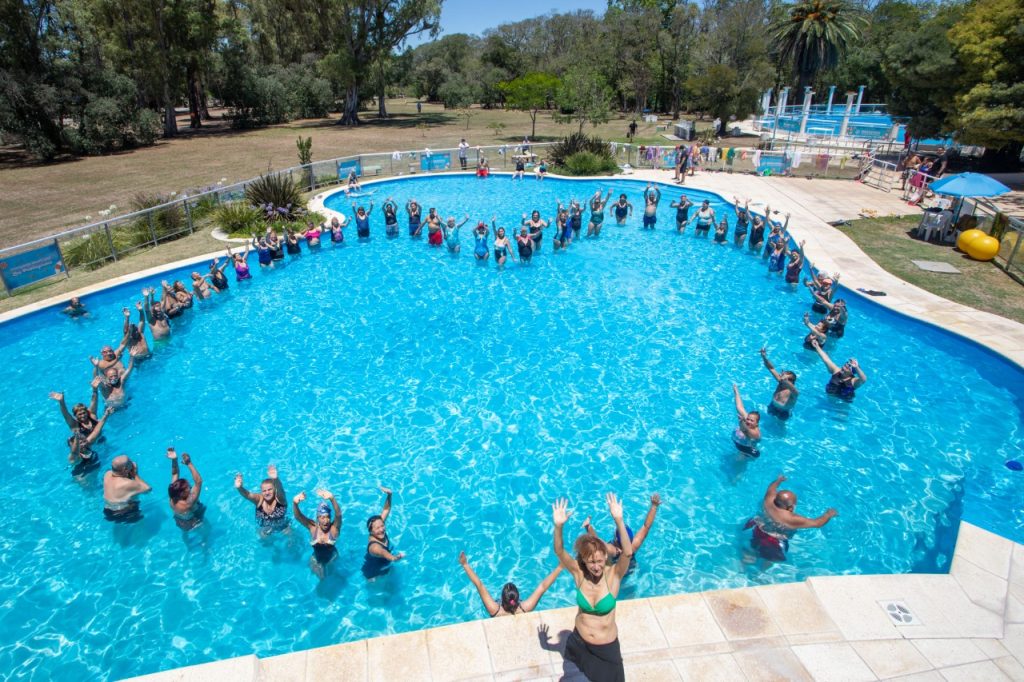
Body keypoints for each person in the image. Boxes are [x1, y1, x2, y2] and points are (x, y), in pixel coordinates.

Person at [552, 494, 630, 682]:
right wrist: (558, 526)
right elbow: (559, 551)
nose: (596, 566)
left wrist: (619, 520)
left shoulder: (614, 575)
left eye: (599, 561)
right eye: (591, 562)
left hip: (606, 650)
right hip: (580, 643)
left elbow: (627, 553)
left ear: (605, 557)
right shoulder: (579, 574)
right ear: (584, 561)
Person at [745, 475, 837, 561]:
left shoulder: (769, 499)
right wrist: (828, 514)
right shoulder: (792, 519)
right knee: (772, 561)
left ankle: (745, 560)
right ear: (791, 508)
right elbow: (818, 523)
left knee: (751, 549)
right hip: (774, 540)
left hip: (757, 528)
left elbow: (771, 487)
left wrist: (778, 480)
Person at [458, 552, 562, 617]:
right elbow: (542, 587)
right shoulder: (525, 608)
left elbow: (479, 585)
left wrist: (465, 564)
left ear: (502, 599)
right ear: (517, 598)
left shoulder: (494, 610)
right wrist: (560, 567)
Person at [582, 493, 662, 574]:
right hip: (630, 567)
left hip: (616, 571)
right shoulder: (633, 545)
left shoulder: (613, 550)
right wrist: (654, 506)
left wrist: (588, 527)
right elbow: (646, 526)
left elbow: (597, 542)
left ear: (616, 539)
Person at [293, 489, 342, 579]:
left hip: (332, 558)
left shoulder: (334, 529)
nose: (326, 521)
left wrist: (332, 498)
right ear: (317, 518)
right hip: (315, 559)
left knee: (331, 578)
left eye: (328, 517)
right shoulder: (313, 528)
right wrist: (295, 504)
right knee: (320, 579)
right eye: (322, 518)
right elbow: (298, 517)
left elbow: (338, 515)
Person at [235, 464, 289, 535]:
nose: (267, 493)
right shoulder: (259, 500)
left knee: (290, 534)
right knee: (263, 535)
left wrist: (276, 479)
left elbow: (280, 489)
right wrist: (239, 488)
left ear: (274, 490)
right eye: (264, 491)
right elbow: (247, 495)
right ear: (261, 492)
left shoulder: (280, 499)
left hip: (283, 526)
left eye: (270, 489)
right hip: (265, 528)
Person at [363, 486, 405, 579]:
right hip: (374, 572)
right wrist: (394, 558)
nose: (381, 529)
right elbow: (383, 552)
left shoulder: (379, 527)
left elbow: (386, 509)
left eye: (382, 525)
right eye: (377, 528)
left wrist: (389, 495)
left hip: (383, 563)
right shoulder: (374, 547)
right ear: (371, 531)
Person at [103, 455, 152, 522]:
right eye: (130, 462)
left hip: (107, 511)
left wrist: (128, 471)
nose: (132, 463)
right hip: (125, 513)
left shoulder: (107, 474)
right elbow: (148, 489)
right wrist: (135, 475)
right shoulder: (128, 484)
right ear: (125, 469)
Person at [66, 405, 113, 476]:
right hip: (83, 476)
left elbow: (96, 431)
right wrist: (77, 438)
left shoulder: (87, 444)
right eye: (79, 443)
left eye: (83, 441)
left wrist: (106, 415)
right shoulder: (74, 456)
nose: (83, 444)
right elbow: (74, 451)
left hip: (95, 469)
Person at [167, 448, 205, 531]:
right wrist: (189, 463)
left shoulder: (172, 497)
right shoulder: (188, 503)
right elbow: (198, 482)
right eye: (188, 487)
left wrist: (174, 460)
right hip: (194, 521)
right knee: (206, 530)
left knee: (185, 533)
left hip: (179, 521)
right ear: (182, 493)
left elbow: (175, 474)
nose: (190, 487)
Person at [760, 347, 799, 419]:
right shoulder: (781, 381)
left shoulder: (793, 392)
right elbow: (771, 368)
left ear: (790, 381)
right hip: (773, 406)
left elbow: (797, 392)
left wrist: (785, 380)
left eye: (783, 376)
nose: (781, 376)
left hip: (784, 412)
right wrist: (764, 357)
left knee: (780, 424)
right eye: (782, 375)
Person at [731, 383, 761, 458]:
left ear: (756, 424)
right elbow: (739, 406)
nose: (748, 421)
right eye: (748, 419)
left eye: (752, 421)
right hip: (738, 442)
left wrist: (741, 421)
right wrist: (736, 391)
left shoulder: (756, 433)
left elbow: (745, 430)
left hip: (746, 449)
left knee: (737, 462)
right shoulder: (746, 419)